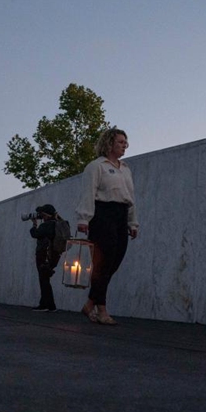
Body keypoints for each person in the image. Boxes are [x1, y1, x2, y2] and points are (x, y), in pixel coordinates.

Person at [75, 128, 139, 325]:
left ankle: (90, 303)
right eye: (120, 142)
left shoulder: (125, 168)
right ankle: (101, 309)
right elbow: (88, 193)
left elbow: (131, 196)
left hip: (121, 215)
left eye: (125, 142)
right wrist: (84, 220)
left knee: (114, 261)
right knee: (103, 261)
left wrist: (132, 222)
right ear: (109, 143)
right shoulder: (96, 166)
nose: (124, 146)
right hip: (102, 214)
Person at [29, 204, 62, 312]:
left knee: (44, 279)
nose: (41, 217)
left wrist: (34, 224)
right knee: (45, 279)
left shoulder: (46, 225)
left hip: (43, 255)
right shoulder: (57, 224)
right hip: (53, 256)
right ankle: (46, 304)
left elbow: (35, 234)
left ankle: (48, 306)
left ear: (47, 215)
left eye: (42, 214)